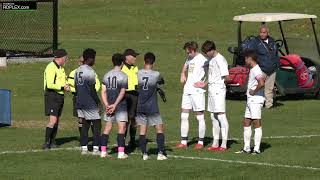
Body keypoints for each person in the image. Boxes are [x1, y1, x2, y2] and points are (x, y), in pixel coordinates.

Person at [195, 40, 231, 151]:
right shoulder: (211, 59)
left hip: (218, 90)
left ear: (212, 50)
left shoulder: (221, 59)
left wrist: (226, 85)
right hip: (211, 90)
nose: (206, 54)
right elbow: (211, 75)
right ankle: (215, 143)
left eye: (207, 52)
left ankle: (224, 144)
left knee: (221, 115)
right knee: (213, 116)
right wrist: (204, 84)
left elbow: (227, 77)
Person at [176, 41, 207, 149]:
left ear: (194, 50)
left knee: (199, 117)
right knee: (184, 115)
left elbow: (212, 71)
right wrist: (182, 73)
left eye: (189, 52)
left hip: (197, 91)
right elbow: (185, 65)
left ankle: (201, 142)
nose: (187, 54)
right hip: (187, 90)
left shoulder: (203, 59)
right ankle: (184, 142)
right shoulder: (189, 58)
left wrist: (204, 83)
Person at [136, 52, 167, 160]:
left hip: (140, 106)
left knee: (142, 130)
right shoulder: (156, 74)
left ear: (144, 61)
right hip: (152, 107)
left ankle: (144, 154)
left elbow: (136, 86)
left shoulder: (138, 73)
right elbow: (162, 81)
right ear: (153, 63)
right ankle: (160, 153)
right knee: (159, 128)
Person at [236, 50, 265, 155]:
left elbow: (262, 83)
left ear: (249, 58)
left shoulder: (256, 70)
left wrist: (254, 90)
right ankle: (246, 148)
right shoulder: (253, 69)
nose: (245, 60)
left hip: (255, 100)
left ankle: (257, 149)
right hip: (250, 100)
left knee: (256, 123)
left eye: (245, 58)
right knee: (246, 122)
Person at [100, 53, 128, 159]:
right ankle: (121, 153)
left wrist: (107, 105)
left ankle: (103, 152)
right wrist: (115, 105)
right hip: (120, 105)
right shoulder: (123, 75)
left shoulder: (106, 75)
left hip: (109, 105)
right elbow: (122, 92)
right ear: (122, 63)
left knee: (107, 127)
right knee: (122, 127)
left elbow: (103, 92)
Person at [75, 48, 101, 155]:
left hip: (80, 100)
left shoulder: (77, 71)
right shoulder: (90, 71)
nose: (94, 61)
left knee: (85, 123)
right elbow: (92, 89)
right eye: (94, 58)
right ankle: (95, 149)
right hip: (89, 101)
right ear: (90, 59)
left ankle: (84, 148)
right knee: (97, 124)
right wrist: (98, 102)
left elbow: (76, 86)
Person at [67, 56, 101, 141]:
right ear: (78, 62)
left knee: (93, 118)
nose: (82, 63)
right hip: (78, 97)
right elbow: (71, 86)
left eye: (83, 61)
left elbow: (97, 84)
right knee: (81, 119)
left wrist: (89, 92)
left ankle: (94, 138)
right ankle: (83, 139)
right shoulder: (73, 73)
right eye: (81, 62)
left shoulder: (92, 72)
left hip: (90, 97)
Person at [42, 49, 70, 150]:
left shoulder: (61, 68)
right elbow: (49, 84)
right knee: (53, 120)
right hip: (52, 95)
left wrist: (67, 86)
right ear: (61, 58)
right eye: (66, 58)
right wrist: (63, 87)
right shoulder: (51, 67)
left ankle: (53, 142)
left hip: (59, 96)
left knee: (56, 120)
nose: (66, 60)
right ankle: (46, 143)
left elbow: (62, 80)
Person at [247, 25, 280, 109]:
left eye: (264, 32)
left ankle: (269, 105)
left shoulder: (272, 41)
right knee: (259, 86)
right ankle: (258, 104)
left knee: (269, 89)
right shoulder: (255, 42)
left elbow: (276, 54)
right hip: (262, 69)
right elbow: (250, 53)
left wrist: (277, 65)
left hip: (272, 69)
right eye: (261, 32)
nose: (262, 34)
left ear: (267, 33)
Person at [121, 49, 139, 148]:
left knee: (134, 119)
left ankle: (132, 140)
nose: (135, 58)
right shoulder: (121, 67)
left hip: (135, 95)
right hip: (124, 95)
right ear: (127, 57)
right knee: (125, 119)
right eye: (134, 56)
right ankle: (122, 140)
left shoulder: (135, 68)